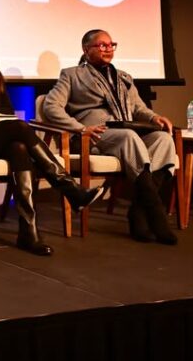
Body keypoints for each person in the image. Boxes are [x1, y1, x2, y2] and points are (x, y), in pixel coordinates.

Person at [0, 23, 104, 256]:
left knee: (19, 148)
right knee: (19, 127)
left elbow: (7, 110)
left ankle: (28, 232)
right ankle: (69, 187)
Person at [42, 29, 178, 245]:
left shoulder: (123, 77)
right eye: (102, 45)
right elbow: (51, 107)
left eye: (111, 45)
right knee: (129, 137)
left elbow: (138, 108)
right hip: (94, 136)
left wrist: (155, 117)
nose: (108, 49)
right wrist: (80, 129)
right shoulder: (72, 75)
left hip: (125, 132)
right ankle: (157, 216)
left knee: (164, 140)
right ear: (86, 49)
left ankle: (138, 212)